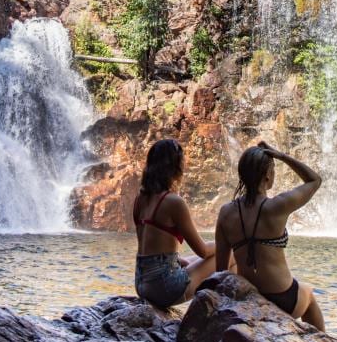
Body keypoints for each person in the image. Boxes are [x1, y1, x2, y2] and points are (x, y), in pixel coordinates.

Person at [214, 141, 325, 330]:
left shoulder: (226, 213)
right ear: (267, 174)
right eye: (273, 169)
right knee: (309, 294)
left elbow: (221, 270)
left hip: (249, 297)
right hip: (283, 298)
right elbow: (315, 180)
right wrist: (281, 155)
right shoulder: (277, 206)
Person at [133, 138, 216, 309]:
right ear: (175, 167)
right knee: (230, 255)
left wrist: (177, 260)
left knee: (190, 260)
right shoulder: (173, 202)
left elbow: (150, 250)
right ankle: (225, 312)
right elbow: (203, 251)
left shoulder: (140, 199)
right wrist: (227, 242)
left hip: (142, 284)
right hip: (163, 289)